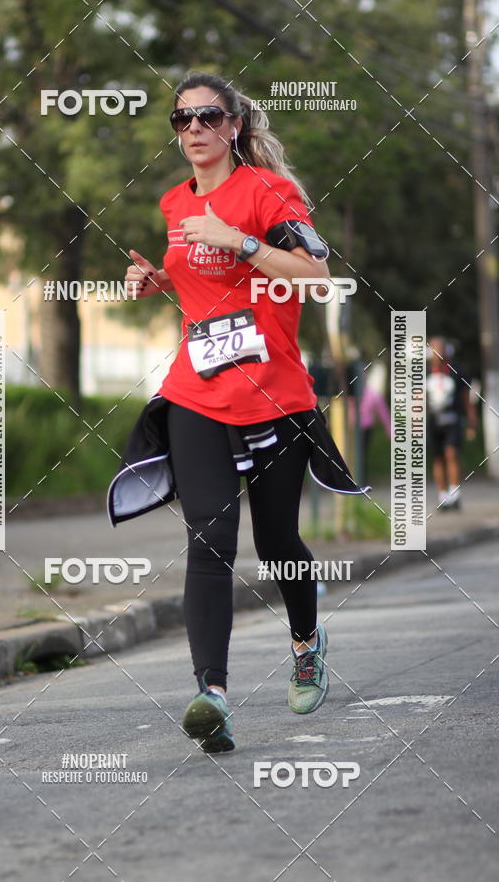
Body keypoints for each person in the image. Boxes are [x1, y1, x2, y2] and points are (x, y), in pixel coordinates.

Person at [114, 70, 368, 753]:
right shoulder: (174, 203)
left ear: (233, 127)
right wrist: (158, 280)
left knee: (278, 542)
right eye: (181, 120)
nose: (192, 129)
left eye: (206, 117)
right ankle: (213, 697)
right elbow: (207, 290)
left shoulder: (267, 193)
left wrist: (243, 242)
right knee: (209, 540)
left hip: (273, 393)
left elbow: (315, 275)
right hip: (197, 391)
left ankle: (307, 641)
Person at [427, 336, 477, 510]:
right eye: (434, 349)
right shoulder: (423, 373)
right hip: (433, 422)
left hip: (453, 420)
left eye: (440, 348)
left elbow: (466, 399)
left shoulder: (457, 371)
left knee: (451, 454)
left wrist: (472, 422)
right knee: (438, 457)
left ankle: (455, 494)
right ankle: (443, 496)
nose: (437, 352)